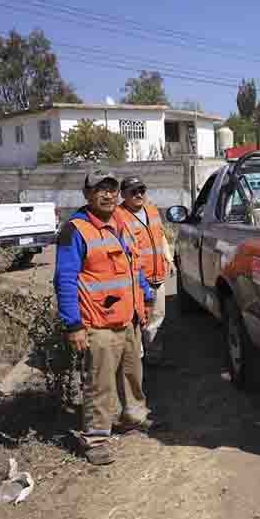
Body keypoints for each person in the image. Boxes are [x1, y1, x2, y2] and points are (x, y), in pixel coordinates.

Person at [54, 169, 156, 465]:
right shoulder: (75, 229)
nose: (108, 194)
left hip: (128, 319)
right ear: (87, 194)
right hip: (97, 324)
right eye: (100, 189)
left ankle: (133, 418)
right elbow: (65, 280)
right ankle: (96, 439)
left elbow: (134, 265)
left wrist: (146, 297)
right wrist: (73, 325)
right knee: (99, 384)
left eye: (112, 188)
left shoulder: (121, 222)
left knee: (131, 375)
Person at [114, 176, 170, 365]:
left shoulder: (151, 209)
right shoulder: (118, 216)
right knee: (137, 323)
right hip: (136, 282)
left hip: (158, 276)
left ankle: (154, 359)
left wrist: (168, 258)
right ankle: (136, 366)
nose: (138, 195)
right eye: (133, 191)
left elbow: (161, 236)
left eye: (141, 190)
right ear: (123, 194)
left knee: (157, 319)